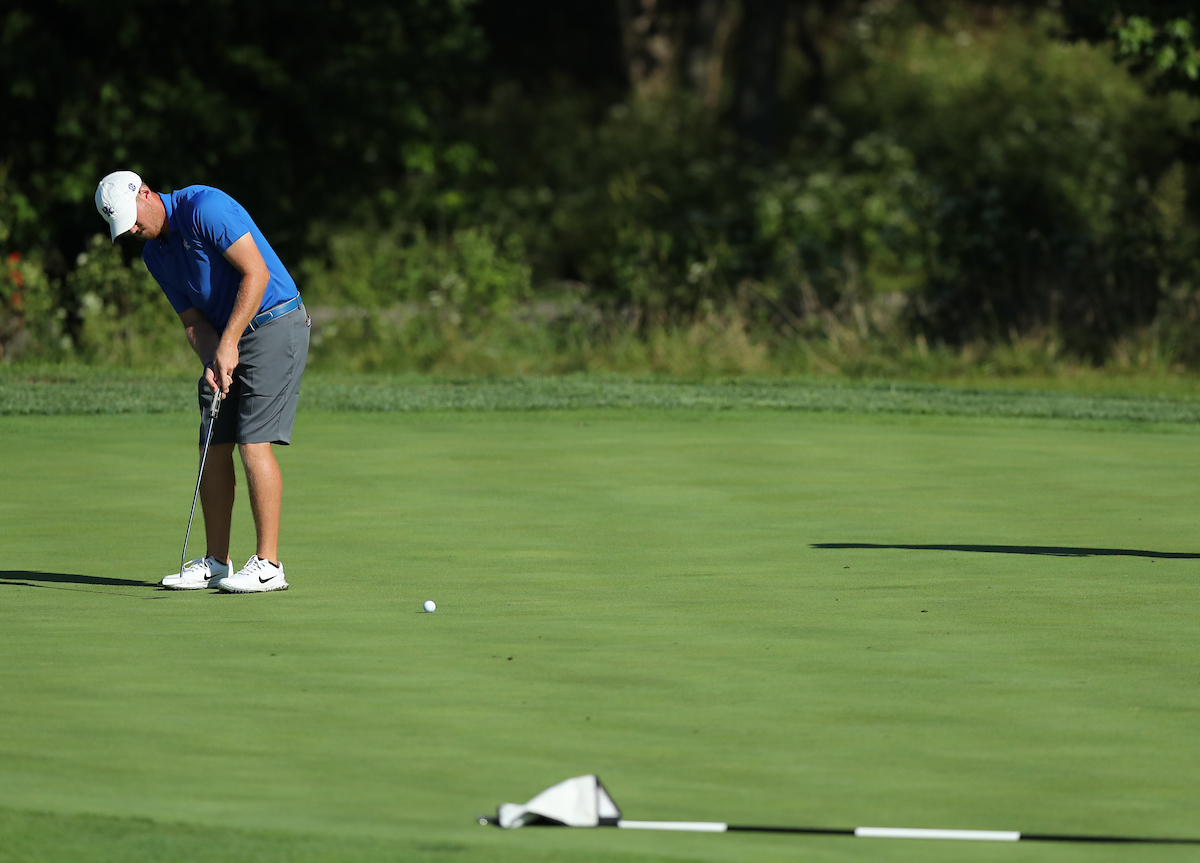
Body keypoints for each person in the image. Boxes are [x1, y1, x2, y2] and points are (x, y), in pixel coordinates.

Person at [95, 171, 309, 593]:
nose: (134, 230)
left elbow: (257, 274)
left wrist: (228, 343)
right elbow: (193, 320)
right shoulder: (155, 256)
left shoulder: (205, 207)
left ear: (147, 193)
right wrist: (212, 357)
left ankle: (269, 564)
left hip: (274, 322)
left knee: (252, 440)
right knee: (214, 441)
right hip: (227, 335)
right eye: (125, 229)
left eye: (133, 220)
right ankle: (217, 561)